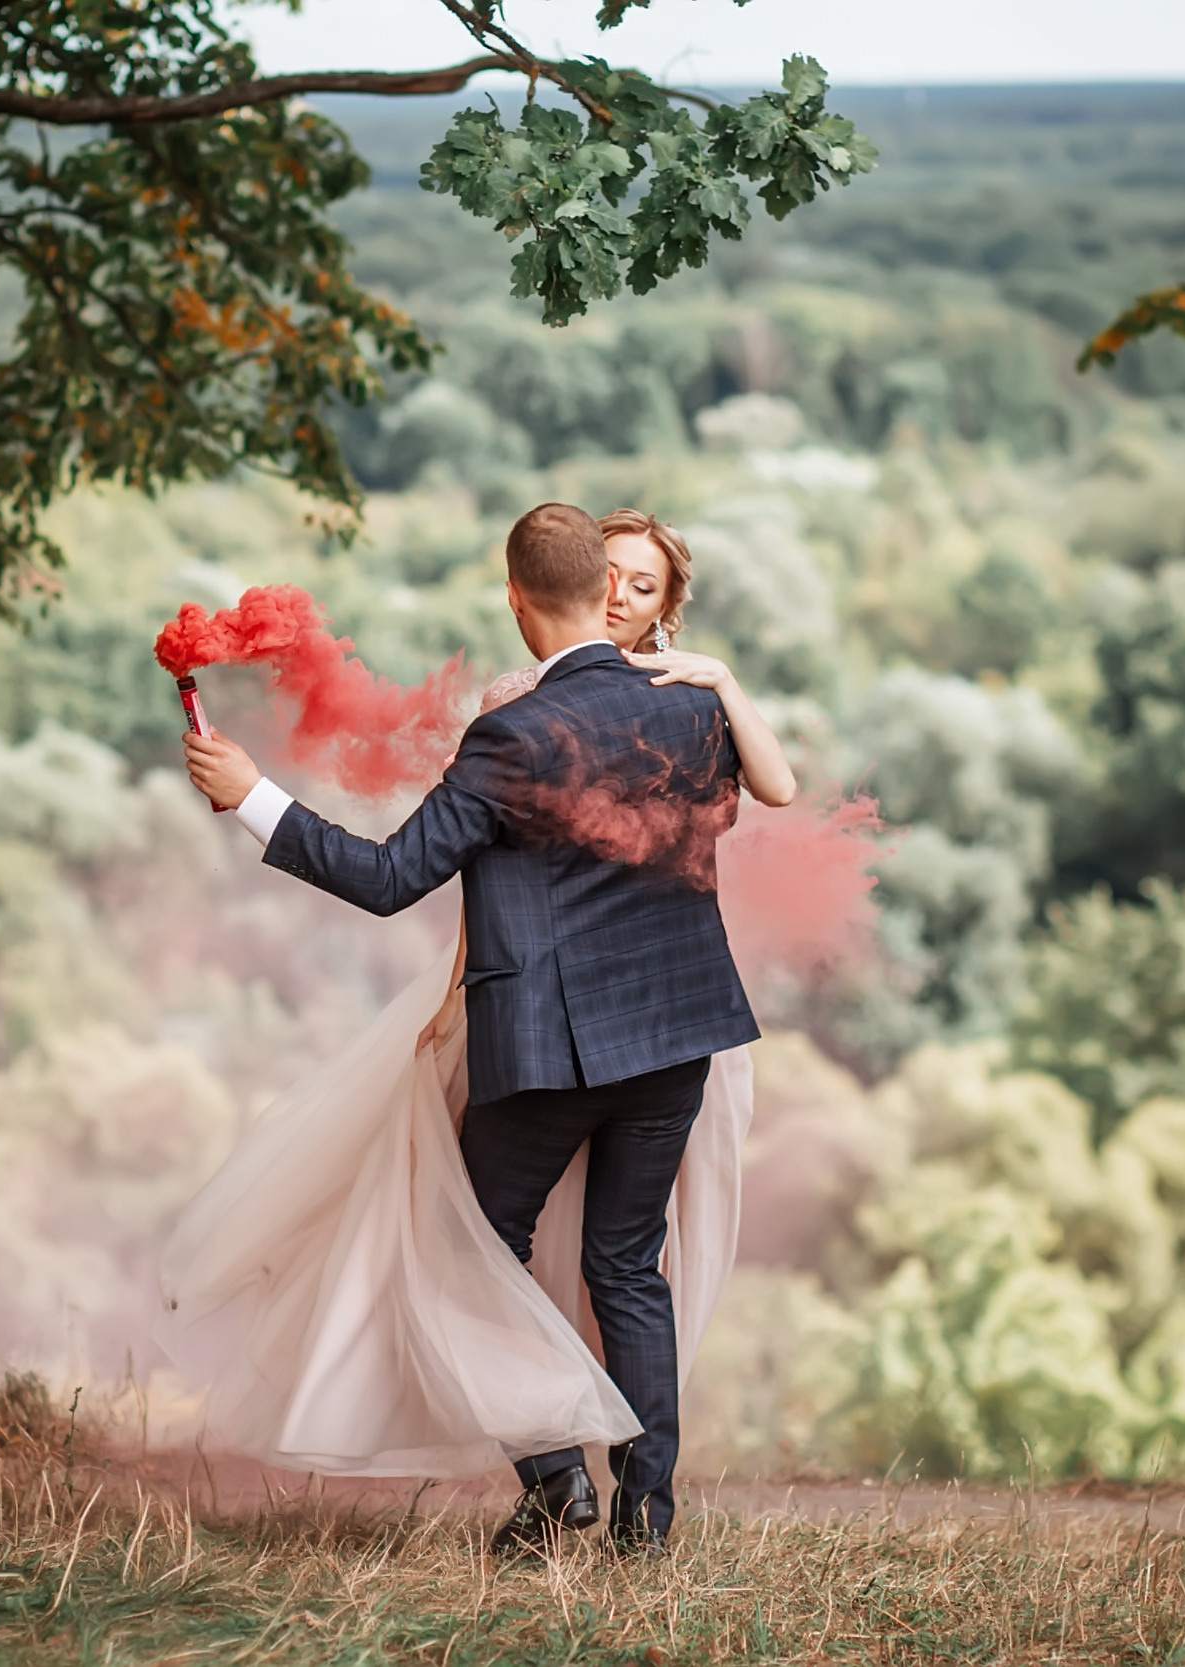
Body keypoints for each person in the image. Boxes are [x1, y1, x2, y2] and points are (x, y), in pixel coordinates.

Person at [167, 504, 788, 1557]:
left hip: (549, 1046)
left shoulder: (512, 732)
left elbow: (386, 876)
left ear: (513, 598)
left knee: (471, 1241)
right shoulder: (689, 707)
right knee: (628, 1266)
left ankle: (554, 1485)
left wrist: (253, 798)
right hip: (679, 1031)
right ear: (605, 592)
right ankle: (646, 1520)